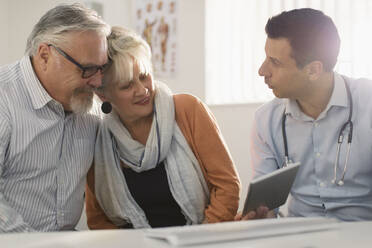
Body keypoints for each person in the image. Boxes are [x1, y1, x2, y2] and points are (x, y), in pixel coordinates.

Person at [85, 26, 241, 229]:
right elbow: (98, 219)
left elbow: (227, 187)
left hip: (199, 239)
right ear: (103, 95)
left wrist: (199, 237)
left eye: (144, 76)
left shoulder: (188, 110)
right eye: (127, 85)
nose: (142, 90)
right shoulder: (97, 138)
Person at [241, 8, 372, 221]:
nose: (262, 70)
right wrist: (261, 217)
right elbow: (266, 205)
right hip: (298, 233)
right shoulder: (266, 120)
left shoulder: (368, 102)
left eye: (275, 62)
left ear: (313, 70)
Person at [0, 3, 110, 232]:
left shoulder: (90, 106)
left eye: (102, 68)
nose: (97, 82)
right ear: (44, 55)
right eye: (87, 69)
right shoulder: (4, 98)